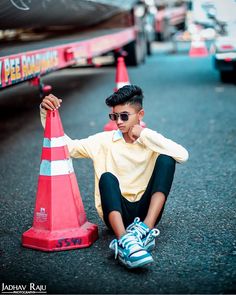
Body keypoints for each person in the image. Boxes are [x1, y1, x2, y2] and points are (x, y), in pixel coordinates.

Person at [40, 85, 189, 269]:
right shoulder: (104, 141)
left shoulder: (150, 140)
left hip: (147, 213)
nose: (118, 121)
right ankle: (124, 240)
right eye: (114, 116)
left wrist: (143, 134)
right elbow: (68, 147)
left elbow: (183, 155)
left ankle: (145, 230)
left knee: (167, 159)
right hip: (116, 214)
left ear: (140, 115)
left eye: (124, 116)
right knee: (107, 178)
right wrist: (47, 114)